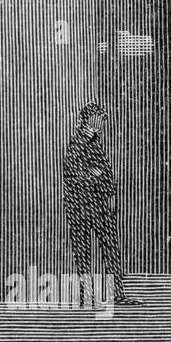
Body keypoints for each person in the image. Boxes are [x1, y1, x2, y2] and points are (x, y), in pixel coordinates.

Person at [63, 102, 140, 306]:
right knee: (83, 250)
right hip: (81, 205)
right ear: (89, 119)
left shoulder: (94, 142)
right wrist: (92, 175)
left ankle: (117, 293)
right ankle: (87, 296)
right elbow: (72, 174)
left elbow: (103, 173)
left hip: (99, 205)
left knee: (110, 247)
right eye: (99, 118)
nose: (102, 122)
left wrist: (110, 194)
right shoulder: (77, 142)